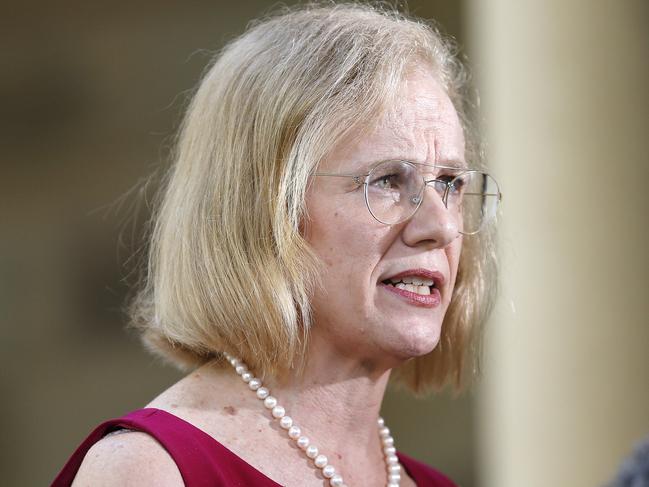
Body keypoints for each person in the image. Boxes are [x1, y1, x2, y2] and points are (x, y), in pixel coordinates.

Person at [52, 3, 501, 486]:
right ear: (267, 209)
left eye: (451, 183)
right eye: (389, 179)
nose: (441, 226)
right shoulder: (150, 471)